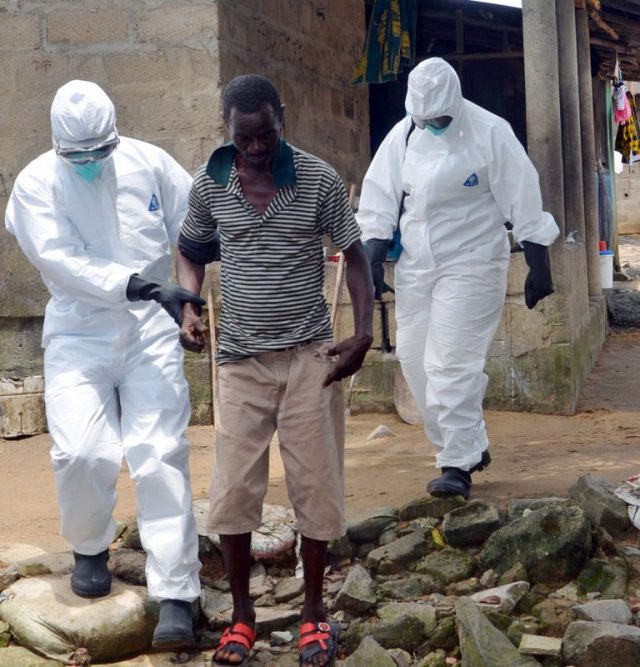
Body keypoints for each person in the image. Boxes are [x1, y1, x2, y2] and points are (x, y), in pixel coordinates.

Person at [175, 74, 374, 667]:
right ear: (228, 131)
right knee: (232, 496)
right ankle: (242, 617)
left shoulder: (317, 180)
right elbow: (190, 250)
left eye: (267, 134)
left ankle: (314, 613)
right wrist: (187, 305)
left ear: (281, 119)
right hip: (239, 361)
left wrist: (362, 333)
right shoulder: (209, 186)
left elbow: (356, 257)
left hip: (311, 356)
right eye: (246, 138)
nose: (258, 147)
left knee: (317, 489)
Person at [4, 80, 204, 647]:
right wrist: (141, 285)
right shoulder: (36, 183)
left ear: (115, 135)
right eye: (80, 155)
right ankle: (89, 547)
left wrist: (189, 298)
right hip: (78, 329)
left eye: (100, 151)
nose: (91, 162)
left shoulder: (151, 163)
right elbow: (60, 262)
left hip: (150, 330)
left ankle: (176, 594)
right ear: (58, 145)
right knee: (80, 450)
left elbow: (193, 230)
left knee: (159, 452)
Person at [357, 58, 559, 501]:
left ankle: (456, 464)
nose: (432, 126)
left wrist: (538, 263)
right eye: (425, 119)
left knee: (450, 363)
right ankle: (468, 444)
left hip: (473, 262)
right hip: (416, 264)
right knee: (413, 359)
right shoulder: (406, 133)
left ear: (456, 102)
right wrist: (371, 258)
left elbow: (522, 196)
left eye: (440, 119)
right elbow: (379, 196)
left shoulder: (491, 132)